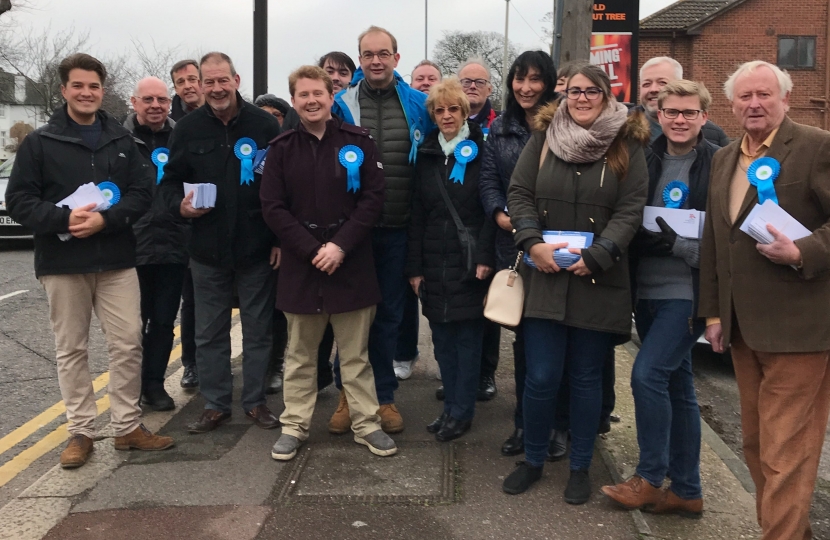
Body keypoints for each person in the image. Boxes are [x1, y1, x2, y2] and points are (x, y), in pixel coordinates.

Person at [6, 53, 174, 469]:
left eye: (94, 86)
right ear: (64, 90)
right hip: (62, 263)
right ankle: (80, 431)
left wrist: (106, 220)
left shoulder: (121, 140)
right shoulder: (39, 143)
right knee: (71, 350)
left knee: (128, 343)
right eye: (78, 86)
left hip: (117, 259)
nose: (86, 93)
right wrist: (64, 218)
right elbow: (20, 201)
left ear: (103, 90)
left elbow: (141, 193)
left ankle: (127, 427)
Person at [502, 63, 649, 503]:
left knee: (586, 379)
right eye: (575, 92)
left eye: (592, 91)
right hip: (545, 275)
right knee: (541, 376)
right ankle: (532, 460)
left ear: (607, 96)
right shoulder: (543, 138)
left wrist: (599, 254)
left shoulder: (627, 142)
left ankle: (581, 466)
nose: (582, 98)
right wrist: (531, 242)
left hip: (597, 280)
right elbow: (519, 193)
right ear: (563, 97)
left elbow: (632, 206)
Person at [699, 60, 830, 539]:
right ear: (732, 105)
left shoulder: (817, 147)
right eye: (745, 97)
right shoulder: (723, 157)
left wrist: (803, 251)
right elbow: (717, 242)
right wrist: (713, 313)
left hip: (801, 329)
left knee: (786, 452)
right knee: (756, 446)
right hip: (741, 330)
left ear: (786, 99)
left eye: (764, 95)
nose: (754, 104)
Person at [261, 65, 397, 460]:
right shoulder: (282, 149)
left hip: (351, 264)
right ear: (294, 100)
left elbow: (374, 198)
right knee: (300, 357)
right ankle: (295, 426)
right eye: (303, 95)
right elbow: (273, 207)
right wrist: (310, 248)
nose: (312, 100)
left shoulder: (359, 141)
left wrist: (339, 246)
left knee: (356, 357)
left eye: (318, 93)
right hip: (302, 270)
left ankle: (367, 424)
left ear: (331, 95)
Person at [601, 80, 719, 517]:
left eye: (689, 113)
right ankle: (687, 490)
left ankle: (649, 478)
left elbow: (727, 231)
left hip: (687, 293)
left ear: (704, 117)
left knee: (647, 375)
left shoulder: (717, 162)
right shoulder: (644, 157)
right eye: (671, 112)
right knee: (678, 386)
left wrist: (686, 248)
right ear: (658, 115)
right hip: (646, 290)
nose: (680, 120)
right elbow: (628, 216)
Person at [158, 52, 282, 434]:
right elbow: (168, 182)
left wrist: (279, 238)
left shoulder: (264, 124)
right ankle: (215, 404)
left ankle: (255, 401)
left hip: (256, 247)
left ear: (236, 80)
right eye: (208, 81)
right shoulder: (187, 128)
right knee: (209, 332)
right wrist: (179, 206)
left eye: (221, 80)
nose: (215, 88)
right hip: (207, 249)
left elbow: (282, 186)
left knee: (259, 330)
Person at [328, 25, 434, 435]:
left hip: (399, 227)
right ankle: (346, 396)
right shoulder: (340, 104)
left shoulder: (419, 103)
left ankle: (384, 397)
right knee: (351, 318)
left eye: (383, 53)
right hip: (353, 231)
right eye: (368, 54)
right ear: (360, 60)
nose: (376, 60)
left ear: (396, 58)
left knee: (390, 316)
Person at [478, 50, 558, 457]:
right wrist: (500, 214)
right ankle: (526, 425)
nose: (525, 88)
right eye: (518, 79)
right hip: (515, 247)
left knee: (559, 343)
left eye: (534, 79)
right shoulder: (501, 129)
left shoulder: (565, 124)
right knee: (526, 343)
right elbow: (489, 181)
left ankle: (558, 426)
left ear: (549, 82)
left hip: (560, 247)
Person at [407, 78, 496, 441]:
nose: (446, 116)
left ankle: (462, 411)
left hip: (469, 260)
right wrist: (414, 268)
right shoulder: (426, 154)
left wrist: (486, 256)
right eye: (439, 110)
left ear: (464, 112)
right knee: (442, 341)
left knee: (468, 341)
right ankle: (449, 409)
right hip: (432, 261)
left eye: (453, 109)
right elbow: (417, 214)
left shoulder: (481, 151)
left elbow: (491, 208)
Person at [124, 76, 189, 411]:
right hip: (130, 248)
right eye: (147, 100)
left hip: (174, 245)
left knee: (164, 322)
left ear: (170, 102)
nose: (155, 106)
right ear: (134, 103)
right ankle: (129, 387)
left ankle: (154, 383)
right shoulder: (119, 141)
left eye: (162, 100)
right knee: (131, 327)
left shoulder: (183, 137)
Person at [168, 58, 203, 390]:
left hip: (218, 226)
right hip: (180, 228)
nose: (189, 85)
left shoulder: (225, 115)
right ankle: (190, 364)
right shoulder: (170, 124)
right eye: (182, 81)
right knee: (190, 302)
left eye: (193, 78)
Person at [636, 56, 729, 147]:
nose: (653, 89)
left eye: (662, 82)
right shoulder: (623, 129)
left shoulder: (714, 136)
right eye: (646, 84)